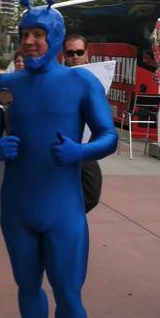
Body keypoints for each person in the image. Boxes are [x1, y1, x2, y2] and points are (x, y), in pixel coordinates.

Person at [0, 0, 117, 318]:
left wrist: (80, 152)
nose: (30, 41)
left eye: (39, 34)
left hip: (63, 210)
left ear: (55, 37)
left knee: (69, 297)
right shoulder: (5, 84)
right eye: (25, 34)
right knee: (26, 288)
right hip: (18, 207)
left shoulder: (81, 81)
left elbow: (108, 136)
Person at [63, 34, 103, 213]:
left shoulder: (97, 79)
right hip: (63, 145)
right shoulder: (57, 79)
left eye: (79, 52)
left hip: (85, 147)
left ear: (86, 53)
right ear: (64, 55)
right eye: (70, 53)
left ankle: (68, 216)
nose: (75, 56)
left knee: (91, 194)